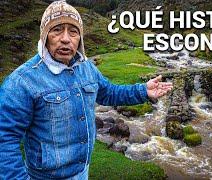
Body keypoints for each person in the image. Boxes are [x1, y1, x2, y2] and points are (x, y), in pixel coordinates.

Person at [0, 1, 173, 179]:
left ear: (80, 38)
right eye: (57, 29)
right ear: (45, 36)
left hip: (83, 171)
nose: (66, 38)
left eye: (73, 31)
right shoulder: (21, 82)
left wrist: (143, 91)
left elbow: (109, 93)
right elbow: (4, 140)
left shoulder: (86, 67)